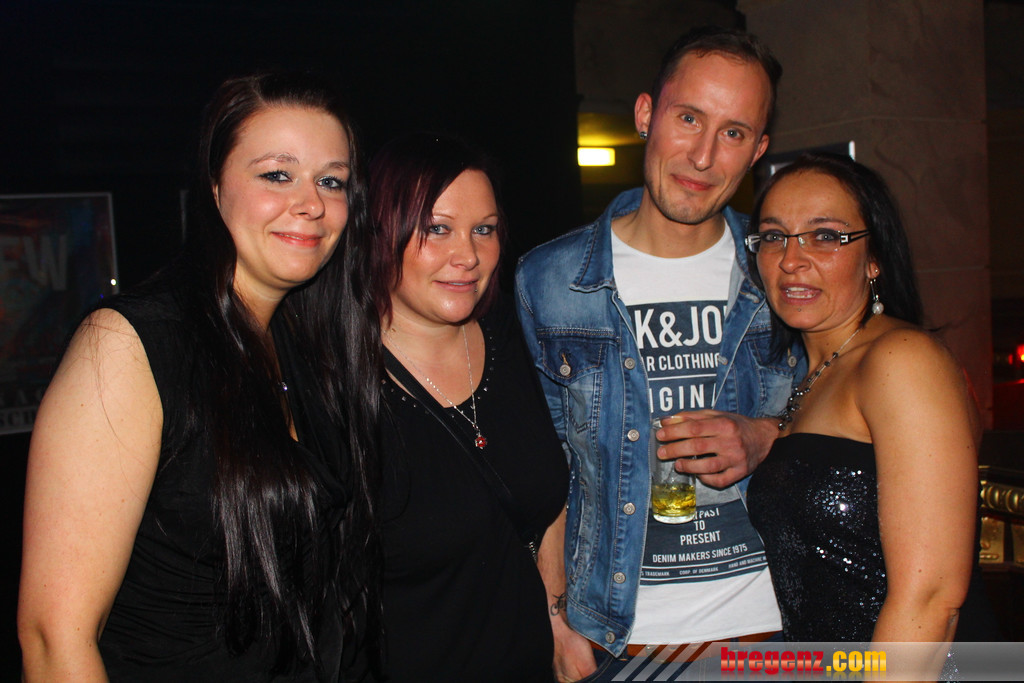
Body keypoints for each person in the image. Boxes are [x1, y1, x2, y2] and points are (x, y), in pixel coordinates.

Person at [18, 73, 380, 681]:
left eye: (331, 181)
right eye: (277, 174)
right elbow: (55, 640)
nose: (312, 203)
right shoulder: (129, 346)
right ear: (215, 188)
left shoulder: (305, 346)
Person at [516, 26, 802, 681]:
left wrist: (768, 434)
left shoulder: (784, 273)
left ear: (758, 150)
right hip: (617, 641)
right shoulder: (550, 280)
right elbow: (544, 468)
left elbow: (846, 419)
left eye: (733, 133)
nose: (702, 156)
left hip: (770, 629)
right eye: (689, 118)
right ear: (646, 115)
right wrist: (555, 619)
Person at [745, 153, 982, 655]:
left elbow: (932, 598)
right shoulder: (813, 375)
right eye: (773, 236)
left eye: (825, 235)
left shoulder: (902, 359)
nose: (791, 259)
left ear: (874, 258)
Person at [368, 132, 568, 681]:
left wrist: (556, 616)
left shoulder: (511, 334)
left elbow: (548, 494)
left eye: (484, 229)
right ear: (380, 231)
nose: (469, 256)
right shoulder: (337, 385)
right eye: (437, 228)